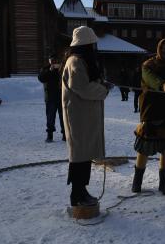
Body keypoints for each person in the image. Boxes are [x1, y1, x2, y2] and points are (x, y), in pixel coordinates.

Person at [62, 26, 111, 206]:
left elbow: (87, 82)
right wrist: (103, 89)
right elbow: (82, 88)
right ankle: (77, 195)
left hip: (84, 117)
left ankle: (82, 191)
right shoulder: (75, 61)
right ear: (85, 45)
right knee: (79, 157)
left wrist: (100, 82)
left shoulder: (80, 61)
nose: (94, 48)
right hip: (79, 118)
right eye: (92, 45)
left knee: (84, 156)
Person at [131, 38, 165, 196]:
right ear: (158, 49)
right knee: (144, 149)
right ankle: (137, 182)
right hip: (152, 111)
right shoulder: (148, 65)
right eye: (163, 48)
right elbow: (150, 80)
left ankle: (164, 184)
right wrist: (164, 85)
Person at [38, 55, 65, 143]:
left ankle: (65, 134)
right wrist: (50, 70)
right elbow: (41, 78)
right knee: (50, 117)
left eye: (55, 60)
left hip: (62, 97)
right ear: (49, 61)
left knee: (64, 117)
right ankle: (50, 135)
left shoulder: (64, 68)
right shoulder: (45, 69)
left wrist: (61, 69)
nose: (54, 62)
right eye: (52, 60)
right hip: (50, 97)